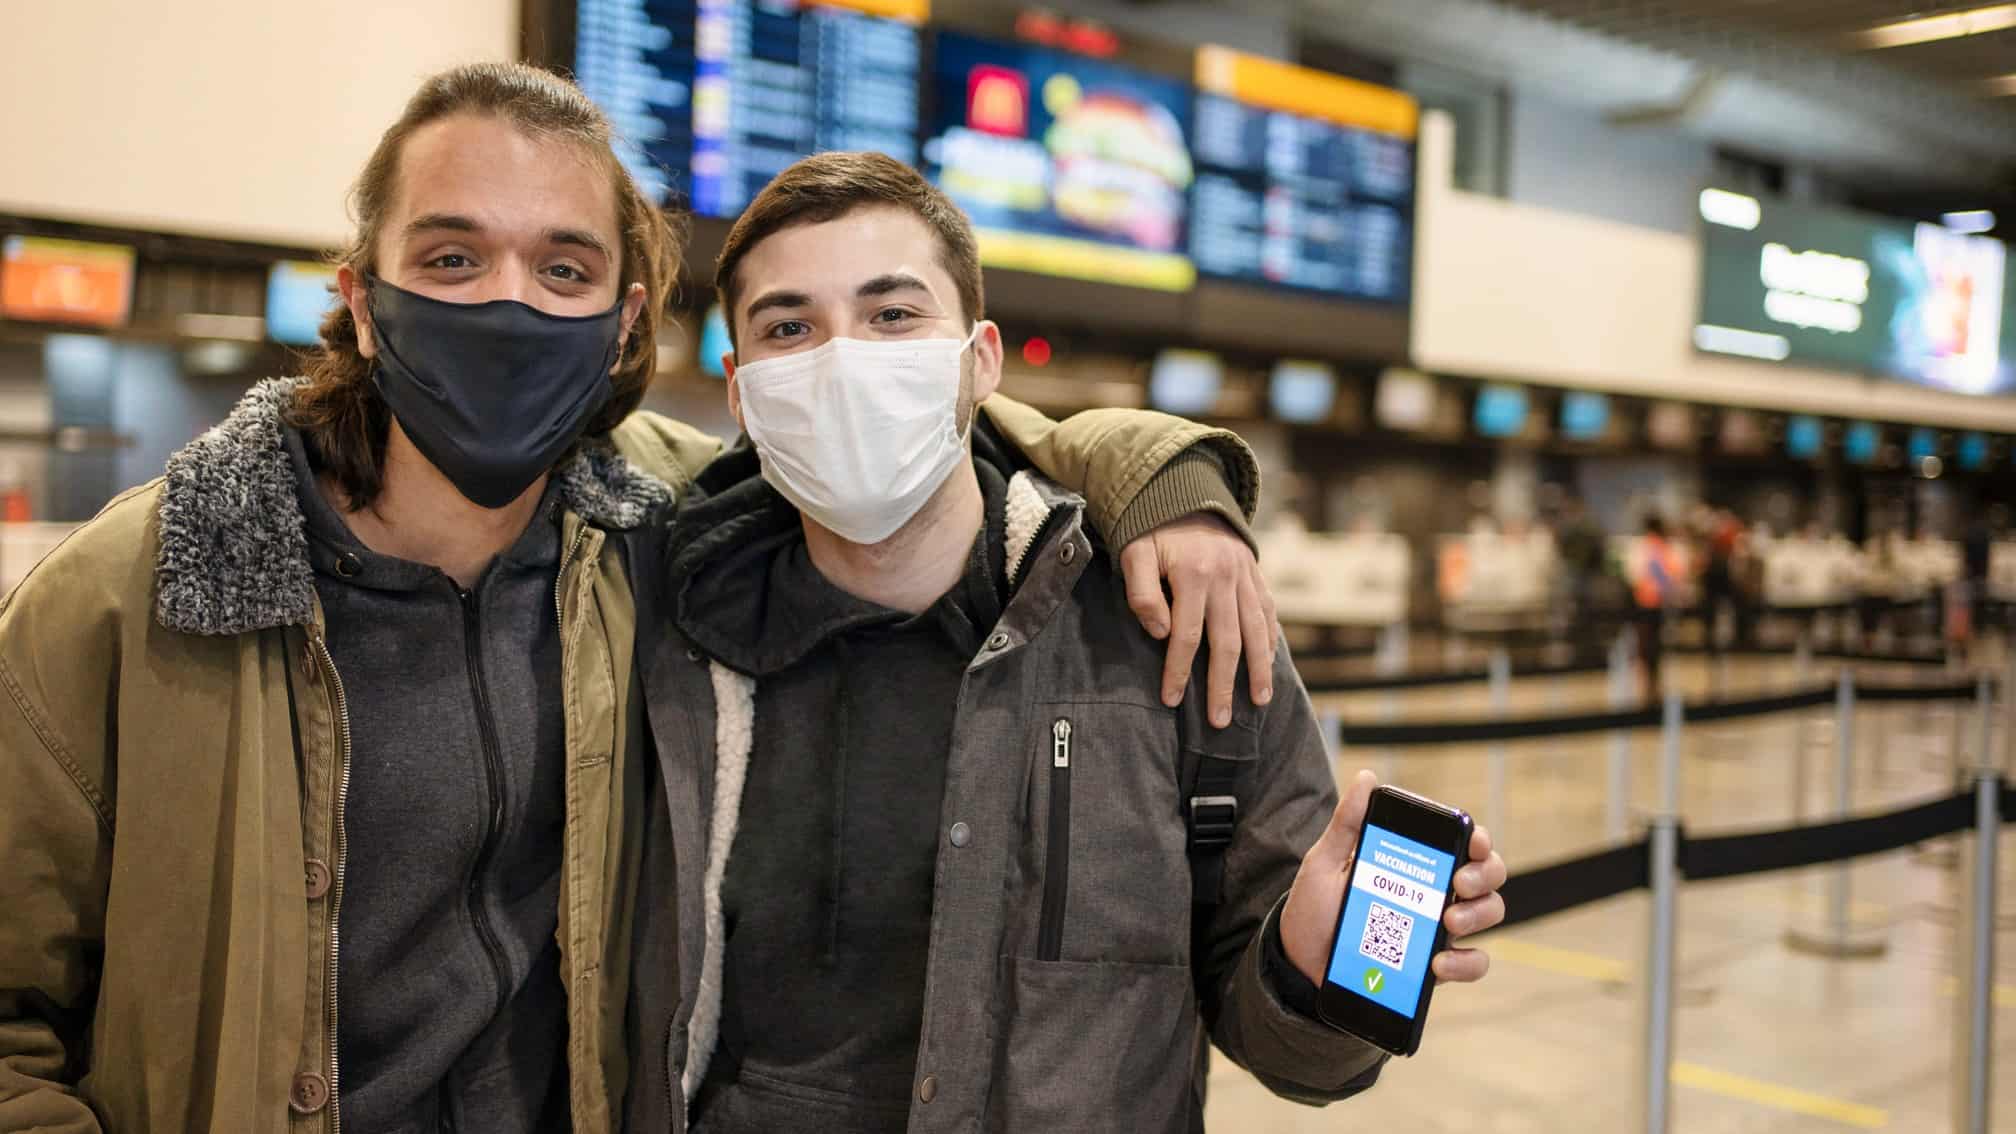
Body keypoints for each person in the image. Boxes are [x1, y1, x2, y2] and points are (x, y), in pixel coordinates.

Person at [0, 65, 1279, 1133]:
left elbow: (926, 424)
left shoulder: (658, 532)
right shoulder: (137, 593)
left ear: (623, 326)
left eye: (563, 268)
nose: (507, 301)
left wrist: (1158, 472)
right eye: (451, 256)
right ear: (362, 302)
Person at [623, 152, 1509, 1133]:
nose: (844, 358)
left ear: (983, 361)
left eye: (893, 315)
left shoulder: (1177, 624)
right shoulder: (669, 632)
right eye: (791, 326)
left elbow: (1306, 1061)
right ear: (741, 393)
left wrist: (1307, 961)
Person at [1630, 514, 1681, 701]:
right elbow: (1672, 576)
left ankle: (1649, 685)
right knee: (1654, 646)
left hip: (1645, 603)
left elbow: (1636, 575)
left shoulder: (1645, 547)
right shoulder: (1663, 548)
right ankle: (1653, 683)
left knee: (1646, 646)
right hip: (1658, 603)